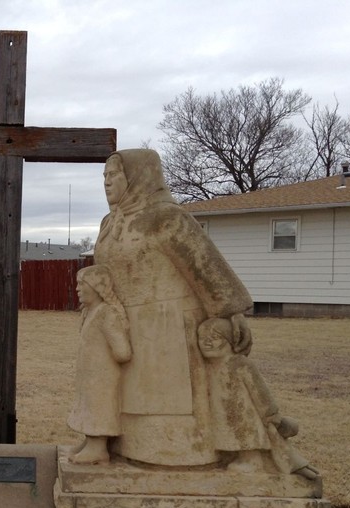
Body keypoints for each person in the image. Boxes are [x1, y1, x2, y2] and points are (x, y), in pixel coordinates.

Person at [93, 149, 253, 466]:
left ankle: (180, 457)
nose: (108, 182)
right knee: (129, 404)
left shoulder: (167, 218)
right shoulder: (109, 224)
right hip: (126, 328)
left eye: (114, 175)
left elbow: (209, 271)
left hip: (170, 331)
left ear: (139, 177)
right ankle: (128, 449)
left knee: (168, 405)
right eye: (105, 177)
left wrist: (230, 314)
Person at [197, 318, 319, 479]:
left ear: (229, 340)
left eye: (215, 337)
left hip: (245, 413)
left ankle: (252, 460)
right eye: (202, 338)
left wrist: (271, 414)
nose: (207, 342)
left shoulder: (240, 364)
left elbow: (260, 391)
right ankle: (241, 458)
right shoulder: (207, 367)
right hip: (223, 412)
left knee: (246, 434)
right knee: (230, 435)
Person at [67, 265, 132, 464]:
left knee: (99, 407)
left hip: (103, 374)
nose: (77, 289)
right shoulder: (90, 311)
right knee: (88, 405)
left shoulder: (106, 313)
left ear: (97, 287)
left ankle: (98, 448)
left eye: (82, 284)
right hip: (90, 373)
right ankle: (90, 441)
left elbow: (122, 352)